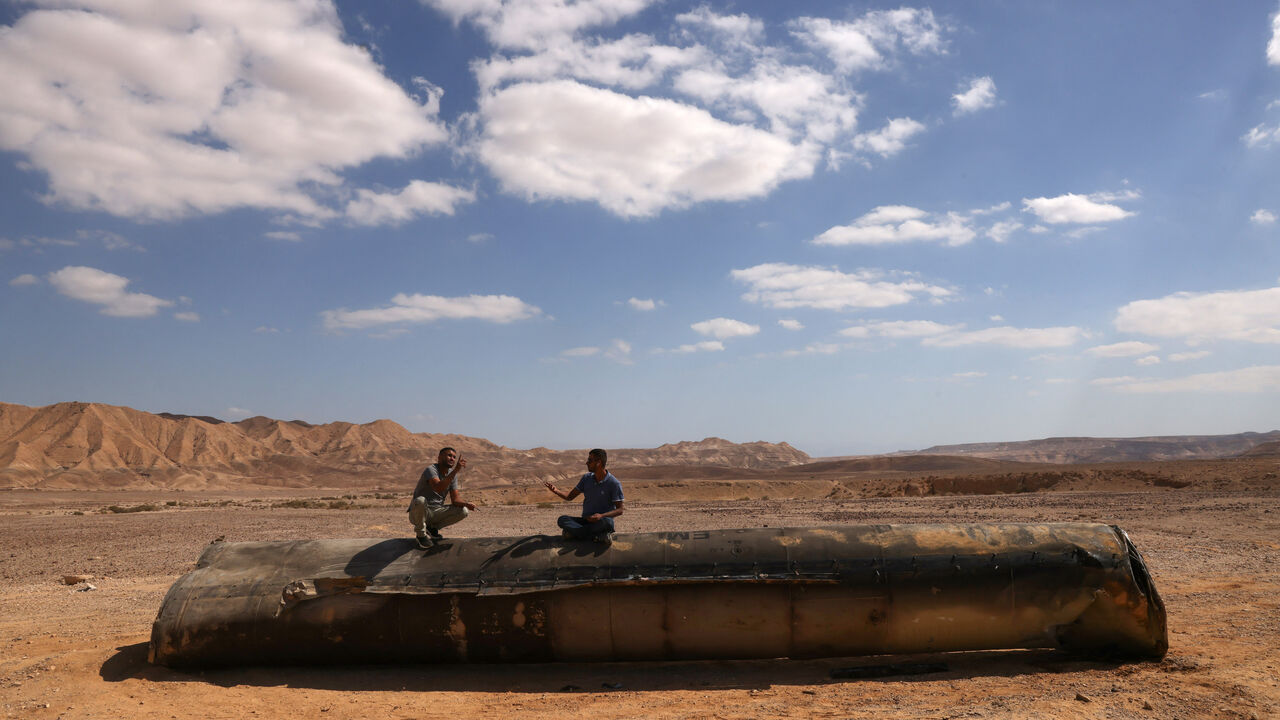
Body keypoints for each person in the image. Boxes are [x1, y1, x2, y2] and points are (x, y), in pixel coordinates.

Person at [543, 448, 624, 544]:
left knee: (608, 522)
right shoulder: (586, 479)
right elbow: (569, 496)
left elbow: (620, 510)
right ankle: (594, 535)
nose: (587, 463)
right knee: (562, 519)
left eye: (590, 460)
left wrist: (601, 516)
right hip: (585, 521)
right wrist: (556, 491)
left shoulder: (614, 483)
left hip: (601, 522)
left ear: (598, 462)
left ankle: (577, 533)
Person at [408, 447, 476, 549]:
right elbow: (438, 487)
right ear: (439, 458)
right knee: (420, 500)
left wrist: (466, 504)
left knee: (464, 511)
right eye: (449, 455)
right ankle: (421, 535)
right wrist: (456, 471)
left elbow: (455, 500)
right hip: (419, 512)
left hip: (436, 511)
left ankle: (432, 528)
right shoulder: (431, 470)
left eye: (454, 457)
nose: (452, 458)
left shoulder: (452, 476)